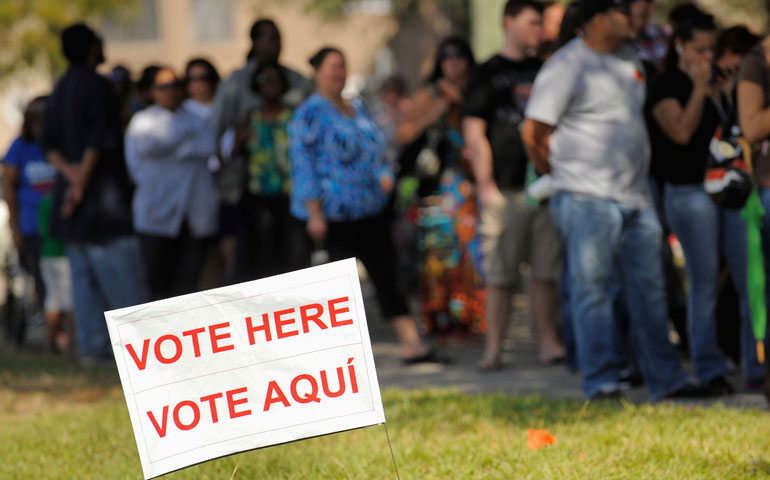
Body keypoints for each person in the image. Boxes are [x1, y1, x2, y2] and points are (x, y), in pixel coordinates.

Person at [522, 0, 703, 400]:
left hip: (636, 197)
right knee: (593, 292)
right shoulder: (566, 65)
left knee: (651, 290)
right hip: (586, 197)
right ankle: (601, 382)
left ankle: (666, 381)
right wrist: (559, 174)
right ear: (599, 18)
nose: (635, 18)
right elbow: (533, 133)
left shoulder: (630, 58)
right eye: (625, 12)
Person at [289, 47, 443, 363]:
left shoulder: (357, 107)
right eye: (332, 67)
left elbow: (377, 146)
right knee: (337, 287)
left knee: (386, 272)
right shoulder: (309, 113)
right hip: (334, 214)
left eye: (342, 66)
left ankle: (411, 341)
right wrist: (314, 212)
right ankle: (336, 356)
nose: (338, 73)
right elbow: (303, 165)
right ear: (317, 71)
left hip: (371, 210)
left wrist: (384, 173)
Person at [648, 11, 745, 395]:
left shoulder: (721, 82)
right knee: (702, 283)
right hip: (689, 193)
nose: (707, 58)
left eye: (712, 50)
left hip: (730, 189)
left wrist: (727, 92)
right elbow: (682, 132)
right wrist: (700, 90)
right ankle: (708, 368)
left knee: (747, 277)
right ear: (680, 47)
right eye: (699, 50)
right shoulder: (666, 84)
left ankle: (755, 362)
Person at [462, 0, 563, 370]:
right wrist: (486, 185)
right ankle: (494, 350)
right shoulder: (486, 72)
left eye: (541, 22)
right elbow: (474, 132)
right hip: (505, 190)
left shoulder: (548, 69)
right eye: (532, 21)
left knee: (546, 271)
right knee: (502, 275)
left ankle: (549, 343)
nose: (539, 28)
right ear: (509, 22)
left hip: (545, 188)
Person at [40, 23, 149, 364]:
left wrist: (70, 179)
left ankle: (92, 349)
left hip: (73, 206)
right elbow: (98, 142)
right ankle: (139, 350)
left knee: (83, 283)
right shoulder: (98, 86)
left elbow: (50, 146)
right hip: (102, 203)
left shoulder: (59, 88)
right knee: (122, 283)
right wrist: (80, 183)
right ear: (91, 49)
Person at [395, 37, 485, 340]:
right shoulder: (429, 94)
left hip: (470, 185)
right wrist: (438, 109)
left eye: (460, 55)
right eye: (447, 57)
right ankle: (440, 320)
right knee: (438, 254)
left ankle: (470, 319)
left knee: (470, 253)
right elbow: (403, 134)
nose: (454, 62)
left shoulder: (478, 89)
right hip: (437, 187)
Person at [125, 68, 218, 300]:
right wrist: (183, 140)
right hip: (155, 215)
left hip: (191, 217)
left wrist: (172, 145)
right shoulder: (143, 121)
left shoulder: (197, 119)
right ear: (152, 91)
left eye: (175, 85)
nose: (171, 92)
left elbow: (207, 146)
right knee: (157, 286)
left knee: (187, 285)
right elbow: (147, 148)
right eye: (163, 86)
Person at [236, 61, 309, 279]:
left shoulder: (294, 115)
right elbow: (234, 152)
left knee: (293, 255)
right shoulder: (250, 117)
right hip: (258, 196)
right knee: (263, 256)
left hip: (290, 194)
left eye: (276, 79)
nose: (271, 84)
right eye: (265, 79)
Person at [737, 26, 770, 403]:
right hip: (764, 189)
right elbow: (752, 126)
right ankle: (758, 369)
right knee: (759, 288)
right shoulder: (756, 62)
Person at [2, 96, 56, 319]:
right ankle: (50, 324)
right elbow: (8, 186)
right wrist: (15, 228)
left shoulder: (60, 144)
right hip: (32, 225)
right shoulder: (19, 147)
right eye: (35, 120)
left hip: (61, 226)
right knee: (41, 277)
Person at [37, 193, 74, 354]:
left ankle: (50, 345)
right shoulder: (64, 199)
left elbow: (41, 229)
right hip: (63, 255)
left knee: (52, 301)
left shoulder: (43, 203)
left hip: (47, 254)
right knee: (71, 303)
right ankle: (75, 345)